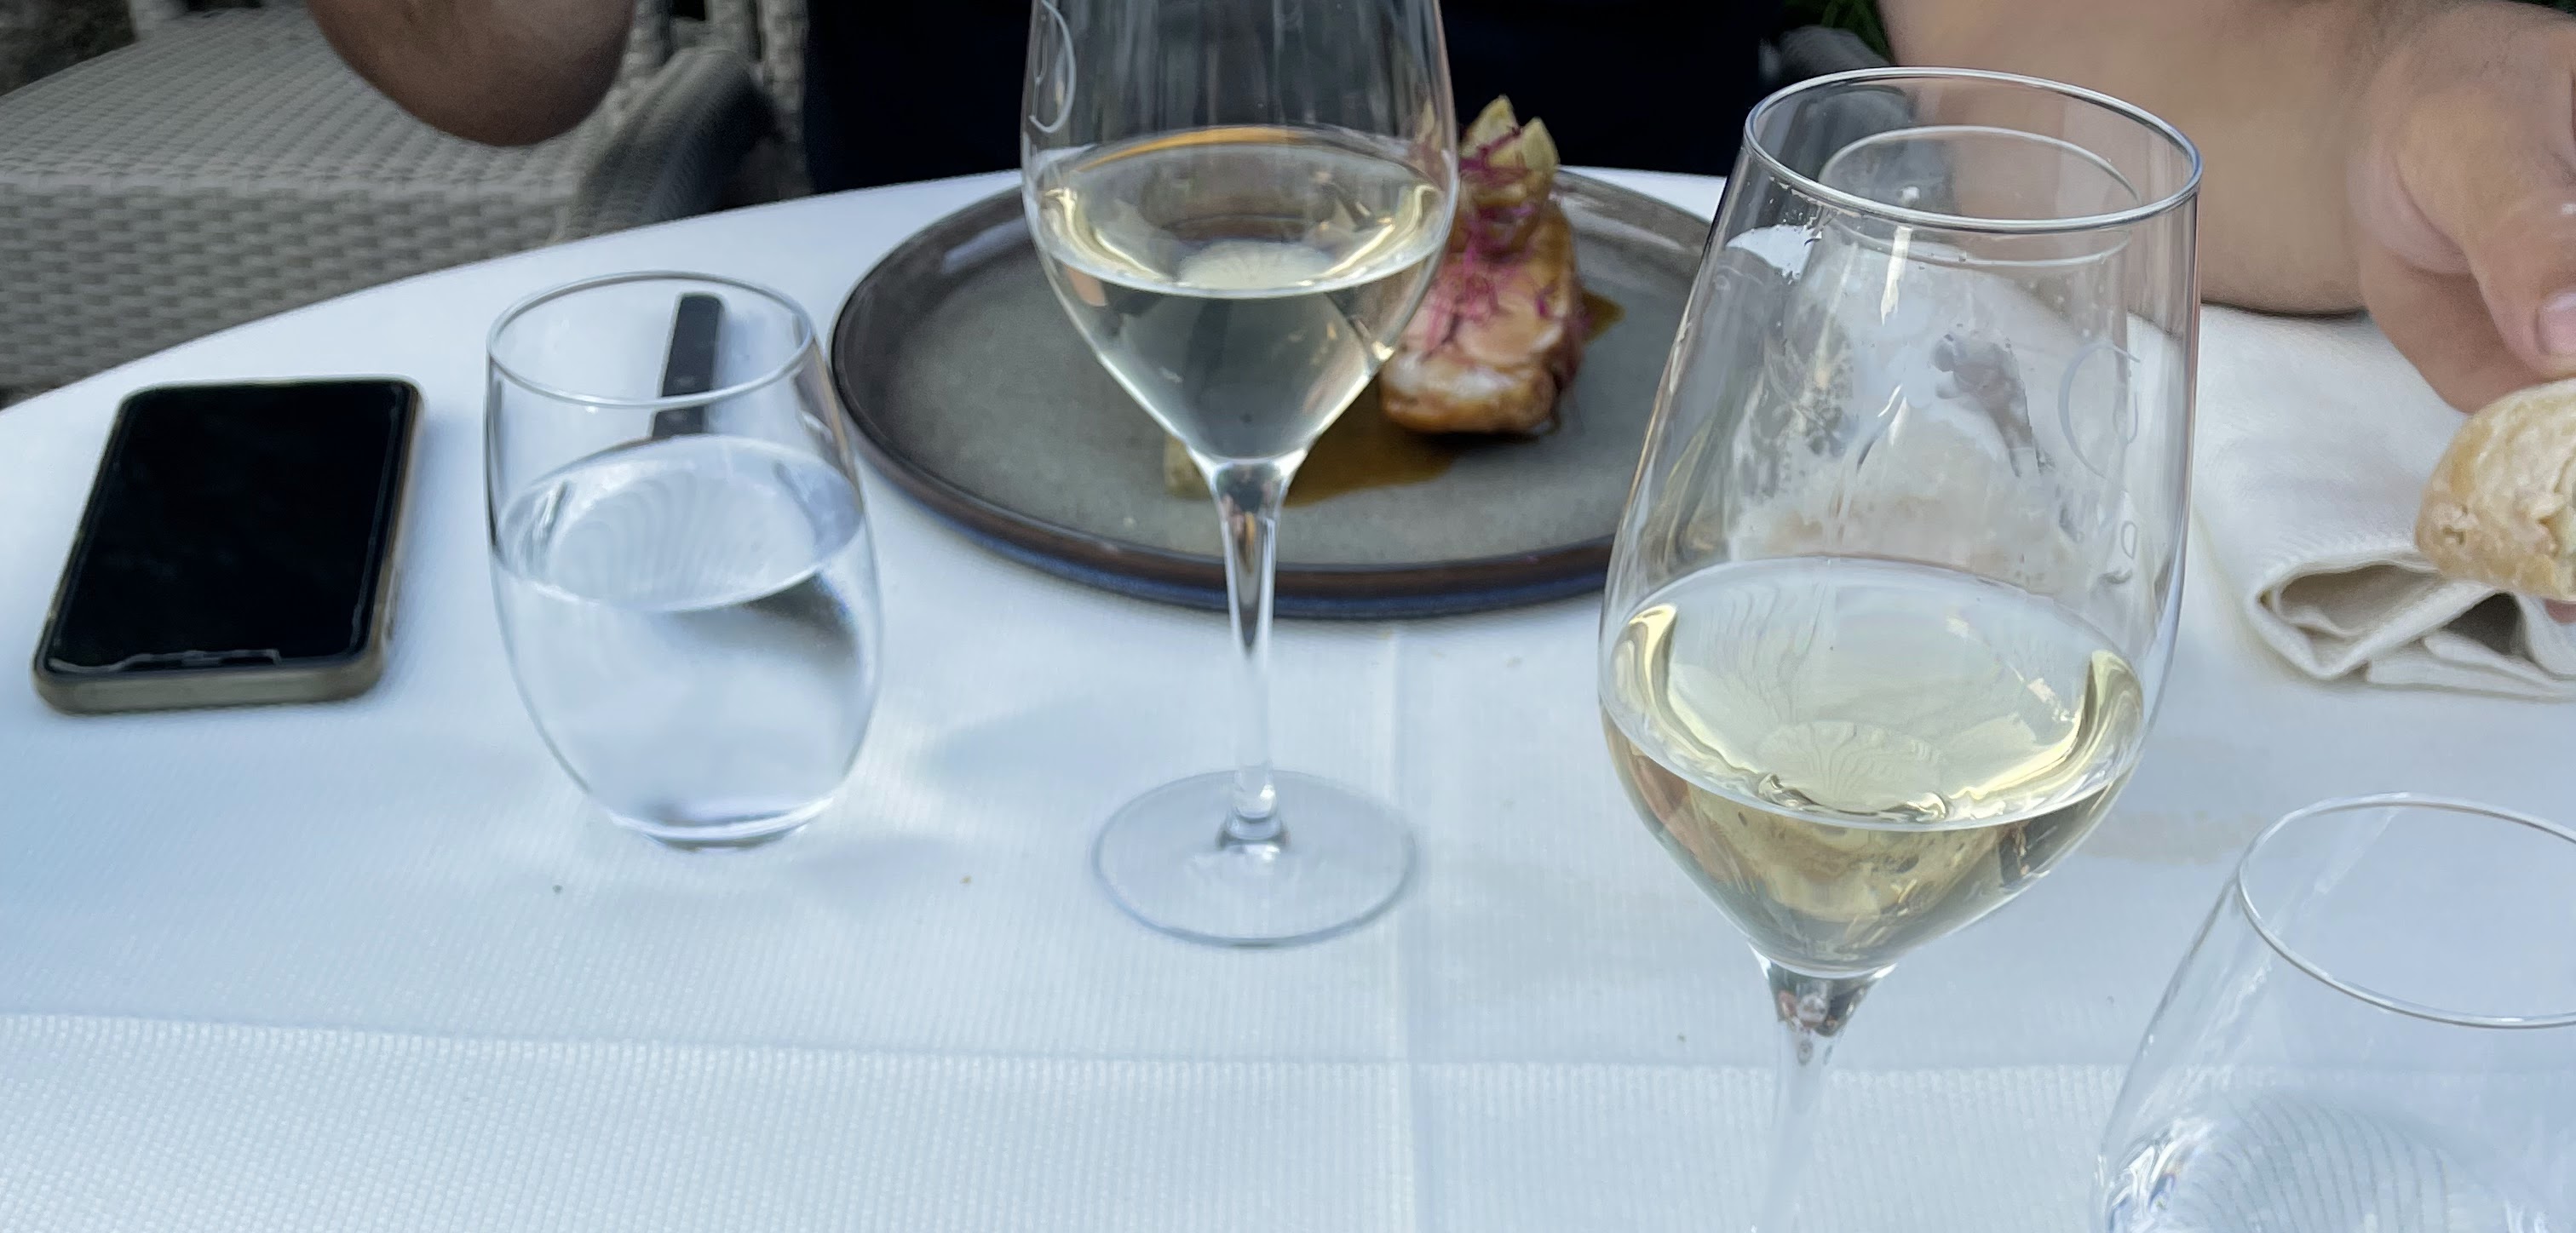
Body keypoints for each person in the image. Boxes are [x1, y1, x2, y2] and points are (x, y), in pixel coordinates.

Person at [304, 0, 2576, 410]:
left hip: (1640, 537)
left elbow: (2075, 73)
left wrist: (2399, 93)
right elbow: (484, 63)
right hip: (930, 486)